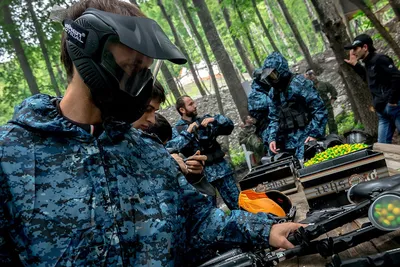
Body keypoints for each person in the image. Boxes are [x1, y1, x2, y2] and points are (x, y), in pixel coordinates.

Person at [0, 1, 303, 266]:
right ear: (89, 53)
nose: (142, 84)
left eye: (146, 70)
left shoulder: (146, 151)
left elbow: (199, 220)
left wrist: (265, 230)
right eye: (133, 68)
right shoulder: (11, 158)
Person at [166, 95, 240, 210]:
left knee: (238, 204)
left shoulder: (205, 121)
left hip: (221, 170)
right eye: (190, 104)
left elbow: (229, 127)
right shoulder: (177, 130)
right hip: (201, 177)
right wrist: (188, 133)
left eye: (193, 103)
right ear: (182, 110)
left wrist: (215, 120)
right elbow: (171, 148)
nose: (195, 106)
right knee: (208, 212)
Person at [263, 52, 327, 160]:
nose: (272, 79)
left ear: (281, 70)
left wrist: (314, 134)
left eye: (273, 75)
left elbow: (319, 109)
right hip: (287, 144)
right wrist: (272, 139)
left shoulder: (301, 84)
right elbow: (274, 118)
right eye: (269, 77)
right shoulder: (273, 93)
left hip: (307, 137)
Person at [344, 33, 400, 144]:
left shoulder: (380, 59)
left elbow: (397, 77)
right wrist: (356, 65)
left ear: (365, 47)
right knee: (383, 146)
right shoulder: (368, 64)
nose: (353, 52)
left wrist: (392, 102)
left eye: (355, 48)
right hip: (382, 111)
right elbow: (370, 80)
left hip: (394, 107)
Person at [305, 68, 338, 134]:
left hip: (327, 106)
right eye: (310, 75)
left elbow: (333, 90)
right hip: (316, 109)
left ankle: (334, 136)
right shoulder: (307, 88)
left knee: (331, 122)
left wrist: (332, 100)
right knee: (319, 124)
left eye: (313, 74)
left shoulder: (323, 84)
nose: (312, 76)